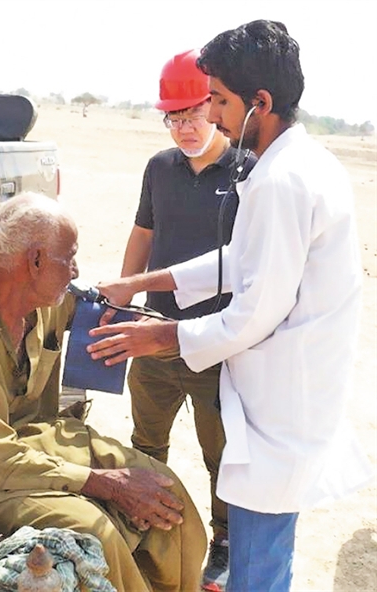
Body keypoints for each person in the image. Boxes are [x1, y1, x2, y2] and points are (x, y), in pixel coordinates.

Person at [87, 20, 373, 592]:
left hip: (280, 401)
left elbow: (254, 312)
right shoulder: (292, 164)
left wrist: (160, 336)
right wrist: (138, 281)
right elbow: (239, 258)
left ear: (258, 103)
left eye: (218, 100)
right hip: (281, 393)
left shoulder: (282, 181)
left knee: (257, 562)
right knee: (261, 547)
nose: (211, 114)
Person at [0, 192, 207, 592]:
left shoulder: (49, 302)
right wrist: (107, 483)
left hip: (39, 442)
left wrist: (156, 333)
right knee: (97, 531)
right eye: (70, 257)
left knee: (166, 491)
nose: (76, 270)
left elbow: (121, 325)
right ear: (36, 260)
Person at [101, 48, 256, 590]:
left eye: (192, 114)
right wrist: (123, 296)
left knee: (222, 453)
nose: (184, 128)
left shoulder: (246, 170)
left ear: (213, 108)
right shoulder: (159, 168)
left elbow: (247, 262)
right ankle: (147, 526)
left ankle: (225, 542)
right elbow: (143, 233)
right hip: (151, 334)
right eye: (173, 118)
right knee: (146, 442)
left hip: (216, 342)